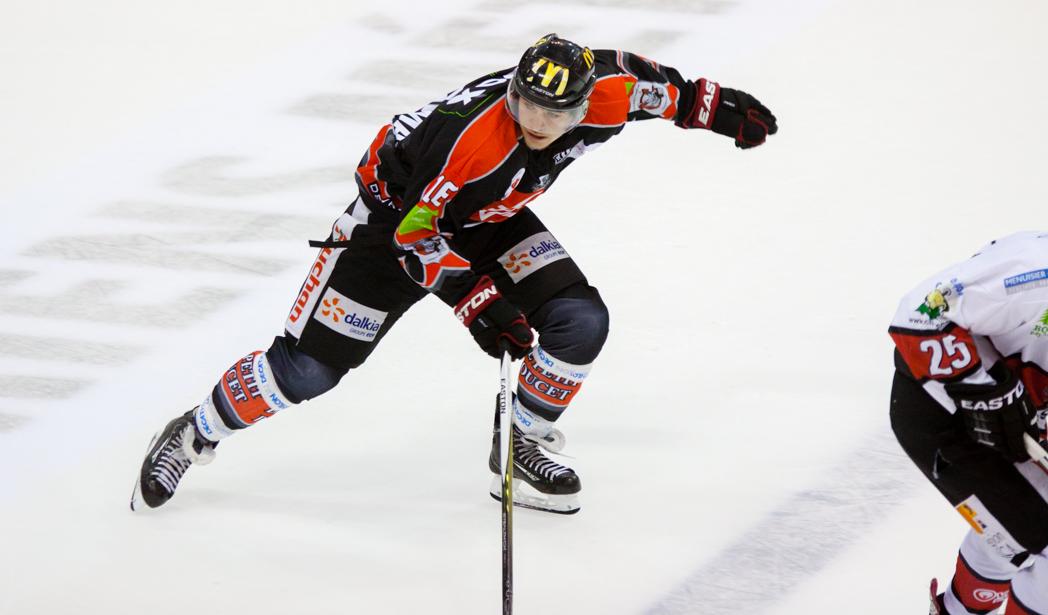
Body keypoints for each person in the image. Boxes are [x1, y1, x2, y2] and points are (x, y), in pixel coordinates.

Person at [131, 33, 777, 515]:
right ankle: (193, 433)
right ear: (513, 91)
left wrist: (713, 107)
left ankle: (518, 442)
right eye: (526, 105)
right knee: (307, 371)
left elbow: (654, 88)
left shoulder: (605, 95)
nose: (537, 124)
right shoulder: (470, 143)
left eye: (555, 114)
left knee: (581, 321)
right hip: (390, 231)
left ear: (583, 105)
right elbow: (416, 238)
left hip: (486, 217)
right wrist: (480, 303)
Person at [888, 231, 1048, 614]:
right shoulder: (1034, 270)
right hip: (941, 413)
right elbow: (920, 313)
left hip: (1020, 424)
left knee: (1019, 524)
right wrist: (984, 390)